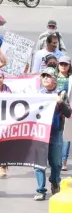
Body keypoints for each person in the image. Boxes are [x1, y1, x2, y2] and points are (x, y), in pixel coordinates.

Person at [34, 67, 71, 200]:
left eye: (48, 76)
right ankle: (40, 190)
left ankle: (55, 182)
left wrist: (61, 103)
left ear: (54, 80)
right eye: (43, 76)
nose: (45, 78)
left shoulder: (61, 94)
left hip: (55, 132)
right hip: (39, 132)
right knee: (39, 163)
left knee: (56, 163)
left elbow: (68, 113)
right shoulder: (36, 94)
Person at [57, 55, 71, 171]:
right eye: (61, 64)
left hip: (68, 109)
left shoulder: (71, 78)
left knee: (66, 136)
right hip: (54, 110)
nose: (63, 66)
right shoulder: (52, 77)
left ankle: (63, 161)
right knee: (54, 134)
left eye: (65, 64)